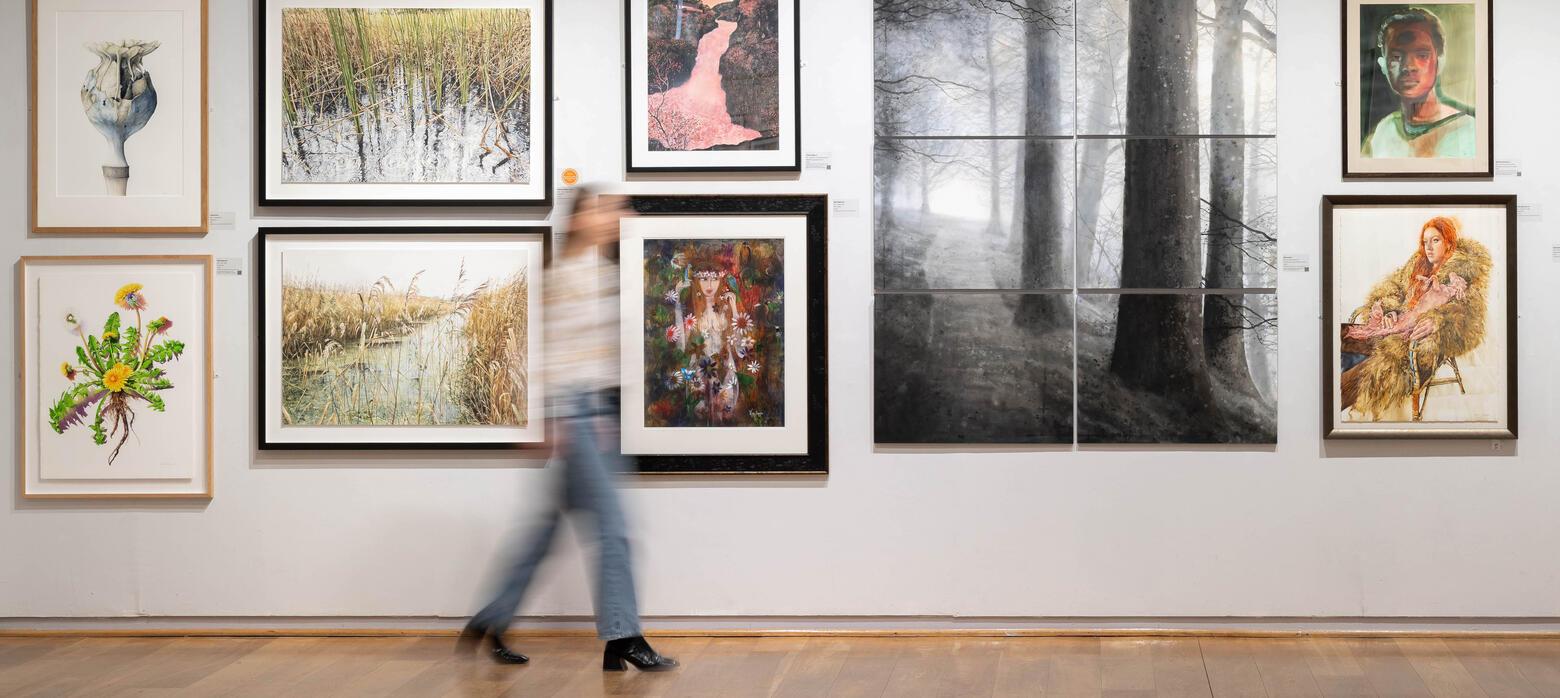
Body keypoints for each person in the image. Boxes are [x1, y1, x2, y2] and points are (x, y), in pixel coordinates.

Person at [459, 189, 678, 672]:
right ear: (581, 220)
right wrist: (556, 418)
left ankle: (493, 617)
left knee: (545, 531)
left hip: (596, 411)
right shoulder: (565, 277)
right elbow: (547, 352)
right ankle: (624, 636)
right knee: (615, 529)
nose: (616, 216)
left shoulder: (601, 274)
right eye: (606, 209)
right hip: (579, 414)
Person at [1340, 216, 1490, 419]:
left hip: (1417, 342)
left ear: (1449, 242)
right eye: (1425, 241)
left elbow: (1468, 317)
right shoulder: (1417, 265)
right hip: (1393, 327)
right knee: (1340, 336)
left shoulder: (1463, 275)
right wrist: (1389, 311)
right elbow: (1393, 290)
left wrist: (1438, 319)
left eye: (1435, 240)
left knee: (1360, 372)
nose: (1428, 247)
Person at [1362, 7, 1476, 159]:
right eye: (1396, 56)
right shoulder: (1383, 132)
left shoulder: (1469, 131)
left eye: (1422, 55)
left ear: (1439, 60)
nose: (1408, 67)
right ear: (1383, 64)